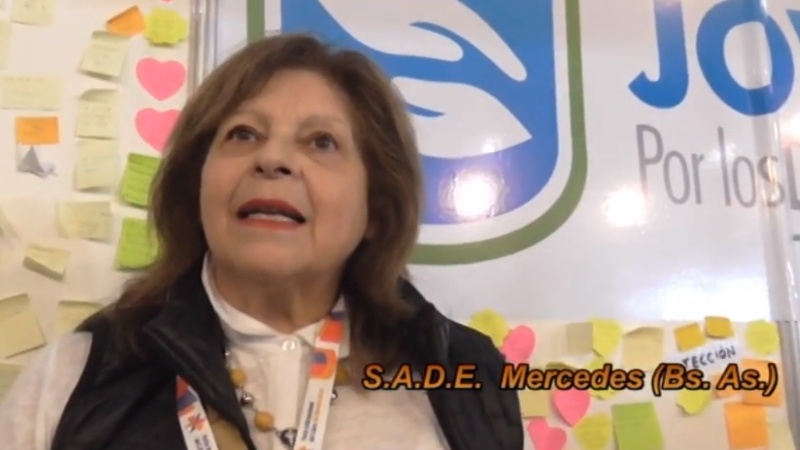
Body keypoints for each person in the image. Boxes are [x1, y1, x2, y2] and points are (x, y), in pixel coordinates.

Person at [0, 34, 522, 450]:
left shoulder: (466, 377)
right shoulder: (75, 376)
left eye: (322, 142)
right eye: (243, 134)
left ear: (377, 212)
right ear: (197, 185)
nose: (272, 159)